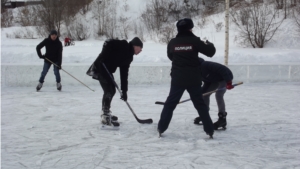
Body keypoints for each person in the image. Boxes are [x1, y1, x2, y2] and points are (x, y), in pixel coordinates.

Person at [157, 18, 216, 138]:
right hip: (193, 78)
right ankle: (209, 130)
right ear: (190, 28)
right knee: (200, 104)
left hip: (178, 78)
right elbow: (210, 52)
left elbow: (170, 56)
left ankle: (161, 128)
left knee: (170, 103)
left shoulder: (173, 42)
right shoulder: (195, 41)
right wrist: (209, 44)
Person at [86, 37, 143, 127]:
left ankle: (105, 112)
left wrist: (124, 91)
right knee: (109, 90)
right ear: (135, 46)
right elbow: (108, 42)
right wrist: (104, 55)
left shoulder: (129, 57)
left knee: (111, 90)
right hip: (101, 66)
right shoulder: (124, 45)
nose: (141, 50)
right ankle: (105, 115)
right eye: (140, 47)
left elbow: (124, 74)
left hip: (107, 70)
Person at [194, 58, 234, 130]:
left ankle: (222, 118)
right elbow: (207, 81)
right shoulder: (196, 70)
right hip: (213, 80)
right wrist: (201, 92)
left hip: (224, 78)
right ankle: (205, 114)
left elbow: (223, 70)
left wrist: (228, 82)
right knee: (204, 94)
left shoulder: (205, 65)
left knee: (219, 95)